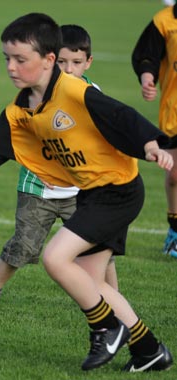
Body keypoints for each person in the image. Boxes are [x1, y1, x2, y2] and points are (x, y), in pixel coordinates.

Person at [0, 13, 174, 372]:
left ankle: (106, 327)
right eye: (7, 59)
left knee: (55, 257)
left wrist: (152, 143)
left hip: (117, 191)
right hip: (95, 195)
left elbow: (122, 117)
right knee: (91, 281)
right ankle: (149, 349)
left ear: (49, 59)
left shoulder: (75, 92)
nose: (11, 67)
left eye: (21, 59)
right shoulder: (20, 112)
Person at [0, 24, 118, 314]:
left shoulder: (91, 94)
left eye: (76, 62)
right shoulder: (34, 93)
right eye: (62, 62)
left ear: (88, 62)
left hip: (83, 192)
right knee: (23, 247)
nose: (69, 69)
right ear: (50, 60)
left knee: (100, 249)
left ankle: (114, 300)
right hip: (38, 189)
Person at [132, 4, 177, 258]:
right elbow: (147, 55)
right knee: (173, 176)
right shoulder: (165, 20)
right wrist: (147, 77)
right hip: (174, 112)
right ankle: (175, 231)